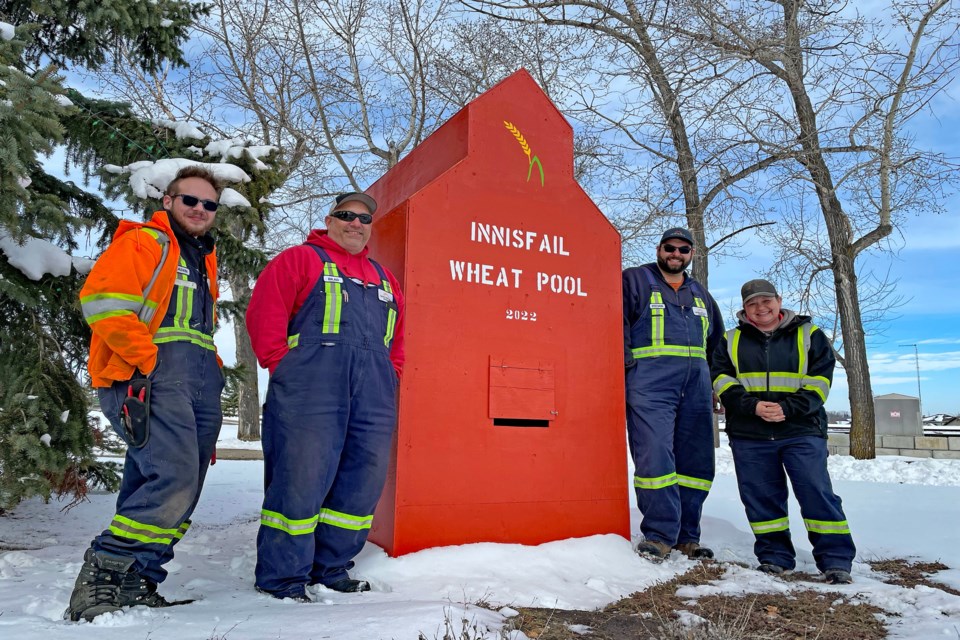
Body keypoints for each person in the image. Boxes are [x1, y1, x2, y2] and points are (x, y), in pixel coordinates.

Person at [67, 166, 225, 621]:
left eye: (209, 204)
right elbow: (103, 303)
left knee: (174, 484)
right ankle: (100, 577)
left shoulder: (202, 259)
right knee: (173, 480)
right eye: (189, 200)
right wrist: (148, 360)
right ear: (168, 203)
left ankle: (137, 580)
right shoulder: (144, 243)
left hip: (196, 385)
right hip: (148, 379)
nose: (199, 209)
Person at [246, 191, 404, 601]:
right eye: (346, 215)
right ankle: (283, 577)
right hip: (309, 389)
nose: (356, 223)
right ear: (330, 219)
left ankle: (330, 567)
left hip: (374, 395)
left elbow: (398, 341)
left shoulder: (385, 280)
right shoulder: (300, 260)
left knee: (360, 483)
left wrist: (391, 374)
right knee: (300, 480)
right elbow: (265, 316)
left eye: (364, 218)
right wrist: (284, 367)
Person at [711, 279, 855, 584]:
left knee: (816, 493)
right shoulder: (731, 339)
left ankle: (835, 561)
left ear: (779, 300)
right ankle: (775, 558)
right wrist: (752, 406)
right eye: (753, 304)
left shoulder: (810, 335)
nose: (761, 308)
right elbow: (722, 380)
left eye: (766, 301)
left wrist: (787, 408)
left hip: (801, 430)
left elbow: (820, 382)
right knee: (761, 498)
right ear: (744, 309)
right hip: (750, 433)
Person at [623, 227, 724, 560]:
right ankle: (659, 534)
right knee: (655, 456)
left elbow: (717, 346)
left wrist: (714, 385)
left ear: (691, 254)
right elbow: (615, 325)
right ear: (659, 249)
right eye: (670, 248)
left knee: (696, 463)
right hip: (650, 386)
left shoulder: (701, 295)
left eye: (683, 249)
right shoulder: (634, 280)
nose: (676, 254)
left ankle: (687, 536)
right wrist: (624, 371)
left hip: (695, 390)